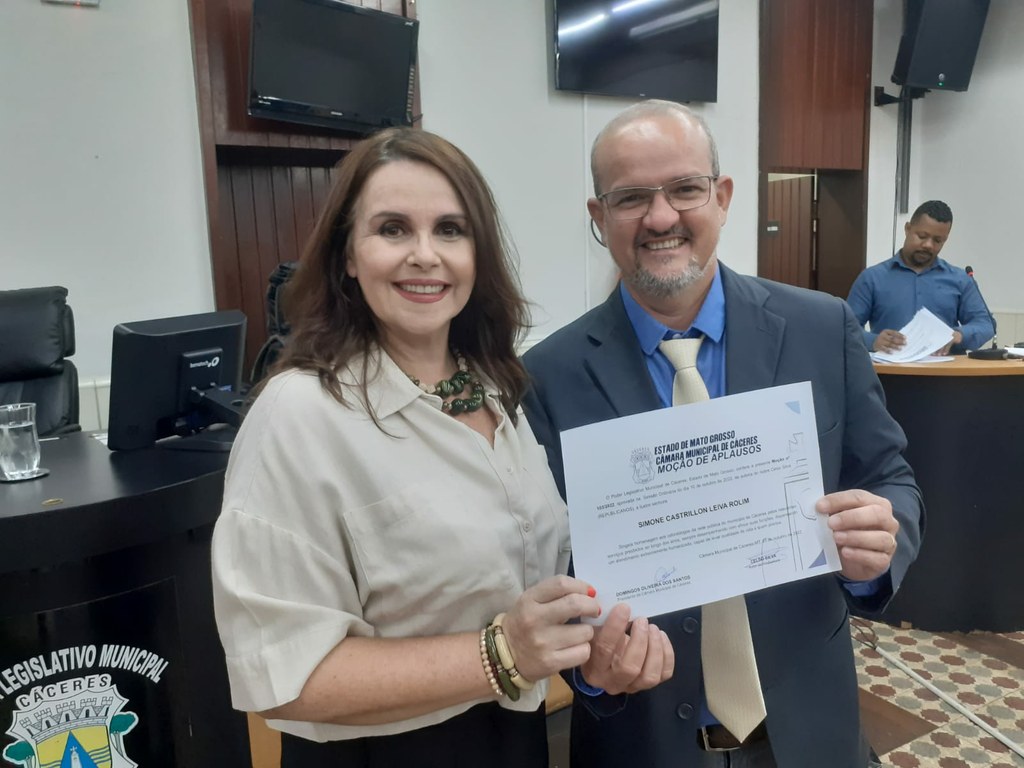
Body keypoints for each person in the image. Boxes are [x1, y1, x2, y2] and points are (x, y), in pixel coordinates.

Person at [210, 127, 672, 767]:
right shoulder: (299, 415)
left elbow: (528, 593)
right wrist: (501, 654)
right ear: (348, 255)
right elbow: (284, 678)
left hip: (515, 742)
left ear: (477, 254)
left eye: (450, 230)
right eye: (392, 229)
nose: (425, 255)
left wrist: (592, 652)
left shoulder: (496, 389)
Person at [521, 100, 924, 767]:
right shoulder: (545, 377)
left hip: (812, 734)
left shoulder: (823, 329)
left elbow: (890, 477)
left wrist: (884, 538)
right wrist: (588, 669)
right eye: (630, 198)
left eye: (685, 188)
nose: (660, 218)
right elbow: (544, 563)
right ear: (598, 216)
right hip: (640, 742)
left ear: (723, 196)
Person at [846, 200, 995, 354]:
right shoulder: (872, 278)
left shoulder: (960, 279)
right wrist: (873, 341)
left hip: (944, 367)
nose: (928, 245)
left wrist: (958, 335)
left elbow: (985, 325)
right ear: (907, 229)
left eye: (937, 240)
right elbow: (846, 327)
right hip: (889, 367)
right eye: (922, 236)